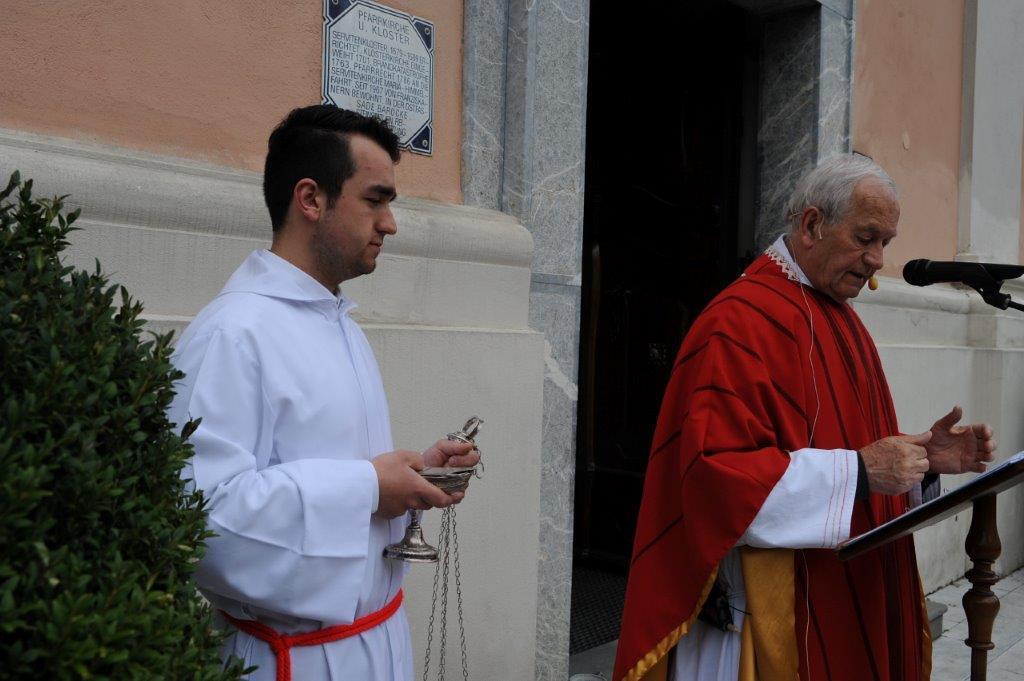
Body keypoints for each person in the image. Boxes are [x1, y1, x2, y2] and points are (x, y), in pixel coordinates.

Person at [613, 155, 997, 681]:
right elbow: (716, 479)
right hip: (763, 616)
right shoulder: (738, 322)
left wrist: (921, 461)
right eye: (866, 238)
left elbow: (853, 448)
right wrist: (859, 472)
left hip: (838, 589)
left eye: (885, 242)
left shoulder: (842, 319)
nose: (877, 260)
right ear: (813, 225)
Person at [168, 105, 479, 681]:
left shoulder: (341, 325)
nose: (390, 224)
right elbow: (200, 522)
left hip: (375, 642)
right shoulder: (232, 335)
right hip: (293, 659)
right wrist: (368, 487)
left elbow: (339, 469)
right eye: (375, 200)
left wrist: (415, 475)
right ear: (310, 199)